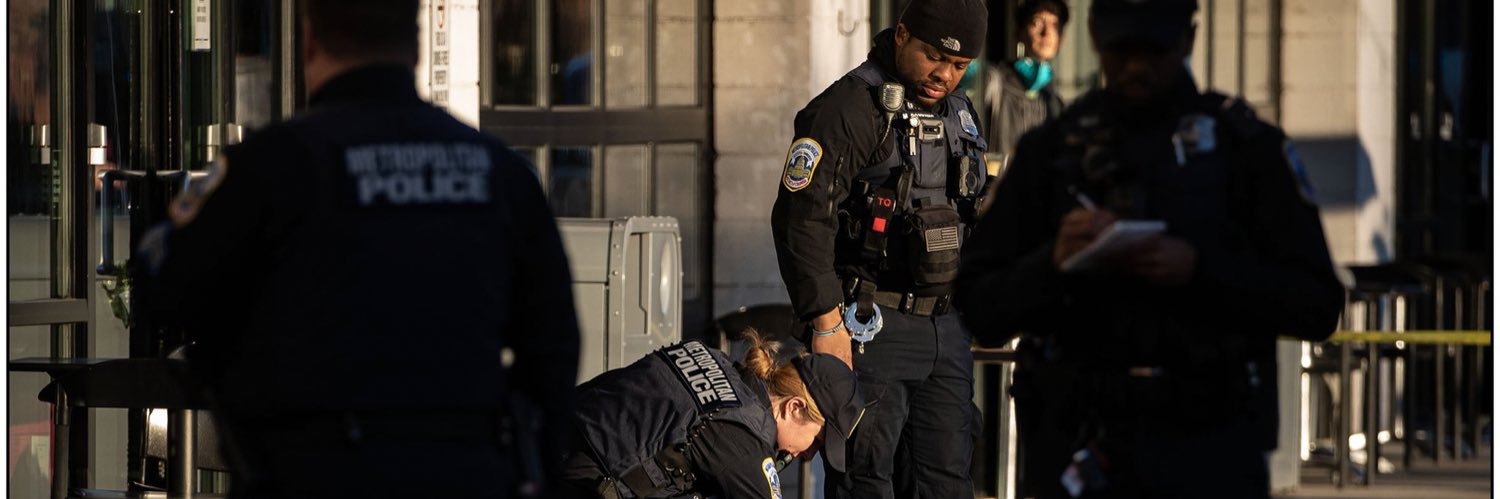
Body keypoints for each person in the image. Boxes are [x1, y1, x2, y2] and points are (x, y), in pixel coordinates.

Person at [136, 0, 580, 497]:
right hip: (465, 469)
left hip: (313, 470)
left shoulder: (273, 166)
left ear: (307, 44)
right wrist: (531, 465)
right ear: (413, 49)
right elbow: (553, 345)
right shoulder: (499, 173)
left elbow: (164, 286)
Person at [955, 0, 1344, 497]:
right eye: (1123, 50)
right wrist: (1054, 263)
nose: (1137, 66)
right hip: (1080, 442)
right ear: (1095, 37)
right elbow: (978, 304)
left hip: (1207, 445)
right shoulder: (1053, 154)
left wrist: (1201, 271)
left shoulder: (1243, 150)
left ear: (1188, 38)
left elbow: (1318, 305)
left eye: (1154, 50)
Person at [768, 0, 989, 496]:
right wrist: (826, 324)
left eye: (959, 66)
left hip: (946, 328)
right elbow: (801, 220)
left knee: (947, 480)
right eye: (935, 56)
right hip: (868, 327)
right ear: (902, 35)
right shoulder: (849, 108)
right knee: (864, 479)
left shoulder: (961, 113)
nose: (944, 74)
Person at [562, 332, 865, 499]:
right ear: (794, 407)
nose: (809, 455)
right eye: (817, 440)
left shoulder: (714, 360)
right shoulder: (744, 445)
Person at [981, 0, 1069, 182]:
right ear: (1019, 32)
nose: (1046, 33)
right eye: (1037, 22)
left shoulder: (1055, 102)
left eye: (1054, 25)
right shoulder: (993, 82)